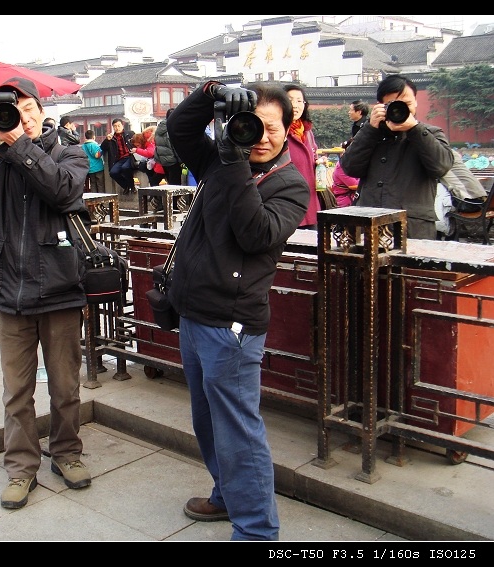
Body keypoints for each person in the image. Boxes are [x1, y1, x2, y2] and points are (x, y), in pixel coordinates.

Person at [167, 81, 310, 540]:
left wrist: (232, 158)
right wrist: (210, 94)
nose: (261, 137)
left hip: (232, 327)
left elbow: (255, 235)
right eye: (251, 126)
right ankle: (228, 495)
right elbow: (179, 128)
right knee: (207, 419)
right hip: (193, 313)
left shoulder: (291, 184)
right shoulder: (219, 158)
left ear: (289, 129)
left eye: (271, 128)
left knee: (238, 429)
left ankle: (256, 531)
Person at [0, 77, 92, 509]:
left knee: (64, 386)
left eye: (26, 109)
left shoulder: (70, 152)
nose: (19, 118)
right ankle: (21, 468)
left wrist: (18, 145)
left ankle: (67, 454)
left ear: (41, 110)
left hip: (60, 285)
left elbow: (63, 191)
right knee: (16, 390)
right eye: (11, 110)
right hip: (10, 287)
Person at [341, 74, 454, 240]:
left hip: (413, 229)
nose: (400, 109)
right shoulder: (371, 134)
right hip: (368, 223)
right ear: (380, 106)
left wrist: (414, 129)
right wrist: (370, 129)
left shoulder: (430, 133)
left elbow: (441, 166)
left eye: (406, 104)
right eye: (392, 105)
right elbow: (350, 167)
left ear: (415, 102)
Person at [284, 84, 321, 229]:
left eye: (299, 101)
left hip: (311, 204)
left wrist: (319, 162)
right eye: (290, 100)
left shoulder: (307, 131)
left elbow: (313, 155)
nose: (295, 105)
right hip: (288, 204)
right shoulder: (278, 132)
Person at [101, 117, 136, 195]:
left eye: (119, 125)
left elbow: (138, 142)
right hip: (119, 159)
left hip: (130, 157)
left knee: (125, 167)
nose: (117, 128)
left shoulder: (130, 134)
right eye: (115, 126)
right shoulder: (111, 138)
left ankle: (132, 186)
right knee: (113, 172)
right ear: (113, 127)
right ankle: (126, 186)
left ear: (122, 125)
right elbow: (103, 148)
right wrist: (107, 140)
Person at [154, 108, 183, 186]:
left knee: (170, 185)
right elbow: (175, 146)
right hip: (173, 160)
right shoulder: (172, 128)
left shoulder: (160, 128)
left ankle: (172, 198)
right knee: (176, 186)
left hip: (163, 161)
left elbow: (157, 144)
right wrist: (181, 160)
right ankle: (176, 198)